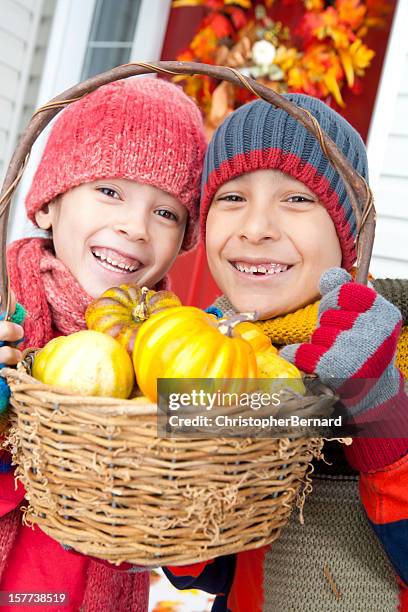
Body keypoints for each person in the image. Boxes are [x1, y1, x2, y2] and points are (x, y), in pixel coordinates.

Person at [164, 94, 408, 611]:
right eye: (231, 198)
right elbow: (201, 572)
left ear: (349, 233)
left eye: (298, 199)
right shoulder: (203, 352)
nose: (255, 228)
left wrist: (379, 411)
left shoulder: (395, 347)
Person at [0, 76, 206, 611]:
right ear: (48, 205)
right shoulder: (5, 310)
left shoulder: (174, 348)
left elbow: (187, 552)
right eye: (110, 191)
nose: (135, 227)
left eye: (166, 212)